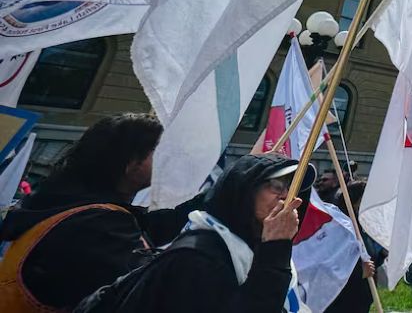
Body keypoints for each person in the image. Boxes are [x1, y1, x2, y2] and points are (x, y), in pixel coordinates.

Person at [0, 113, 205, 312]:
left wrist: (215, 196)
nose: (169, 161)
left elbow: (151, 227)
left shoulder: (72, 204)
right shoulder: (97, 225)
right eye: (162, 153)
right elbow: (147, 290)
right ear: (130, 162)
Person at [74, 153, 312, 312]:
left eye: (293, 189)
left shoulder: (254, 250)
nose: (288, 197)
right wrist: (275, 250)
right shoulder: (199, 257)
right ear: (244, 192)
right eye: (277, 186)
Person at [327, 180, 377, 313]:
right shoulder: (341, 226)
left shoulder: (361, 225)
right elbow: (334, 264)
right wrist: (360, 273)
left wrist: (381, 255)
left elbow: (368, 260)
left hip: (360, 298)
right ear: (355, 201)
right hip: (344, 300)